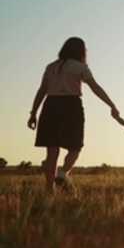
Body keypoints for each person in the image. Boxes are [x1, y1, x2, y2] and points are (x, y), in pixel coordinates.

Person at [27, 37, 118, 191]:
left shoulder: (51, 67)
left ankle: (50, 189)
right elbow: (95, 87)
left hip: (51, 106)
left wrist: (33, 113)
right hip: (71, 106)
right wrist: (111, 104)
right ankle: (63, 173)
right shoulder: (80, 67)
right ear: (81, 51)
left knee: (52, 150)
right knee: (76, 146)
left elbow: (42, 90)